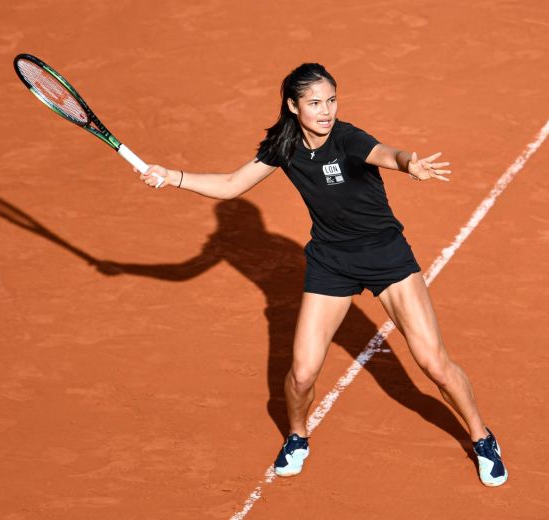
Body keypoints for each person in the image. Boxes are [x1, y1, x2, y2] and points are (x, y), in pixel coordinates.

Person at [139, 63, 507, 487]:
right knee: (301, 373)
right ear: (294, 107)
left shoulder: (347, 138)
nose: (325, 110)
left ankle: (482, 438)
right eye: (314, 103)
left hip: (385, 256)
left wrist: (409, 164)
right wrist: (172, 176)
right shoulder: (285, 145)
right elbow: (230, 184)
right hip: (331, 262)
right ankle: (297, 437)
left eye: (331, 100)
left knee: (433, 362)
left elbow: (386, 154)